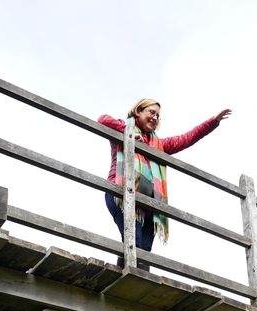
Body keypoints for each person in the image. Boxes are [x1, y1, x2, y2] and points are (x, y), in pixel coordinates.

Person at [98, 99, 231, 259]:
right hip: (120, 192)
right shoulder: (124, 128)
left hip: (148, 204)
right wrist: (129, 132)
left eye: (158, 116)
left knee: (145, 251)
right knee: (134, 242)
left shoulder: (158, 144)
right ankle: (126, 275)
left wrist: (213, 121)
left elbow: (185, 139)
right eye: (151, 112)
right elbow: (103, 119)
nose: (155, 117)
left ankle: (136, 279)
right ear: (138, 111)